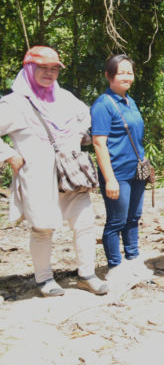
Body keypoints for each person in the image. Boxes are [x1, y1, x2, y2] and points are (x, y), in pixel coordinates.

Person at [0, 46, 108, 296]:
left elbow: (86, 116)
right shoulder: (15, 103)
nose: (49, 73)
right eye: (43, 68)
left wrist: (78, 134)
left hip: (71, 172)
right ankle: (44, 279)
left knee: (85, 222)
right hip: (38, 177)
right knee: (43, 228)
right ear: (29, 69)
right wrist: (9, 155)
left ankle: (87, 275)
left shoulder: (64, 98)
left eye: (54, 69)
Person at [91, 54, 153, 285]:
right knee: (116, 220)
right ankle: (115, 266)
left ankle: (133, 258)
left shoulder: (129, 101)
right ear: (109, 76)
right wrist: (109, 179)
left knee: (133, 217)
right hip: (117, 172)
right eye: (121, 73)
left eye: (130, 72)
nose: (127, 77)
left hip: (137, 170)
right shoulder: (103, 105)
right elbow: (99, 143)